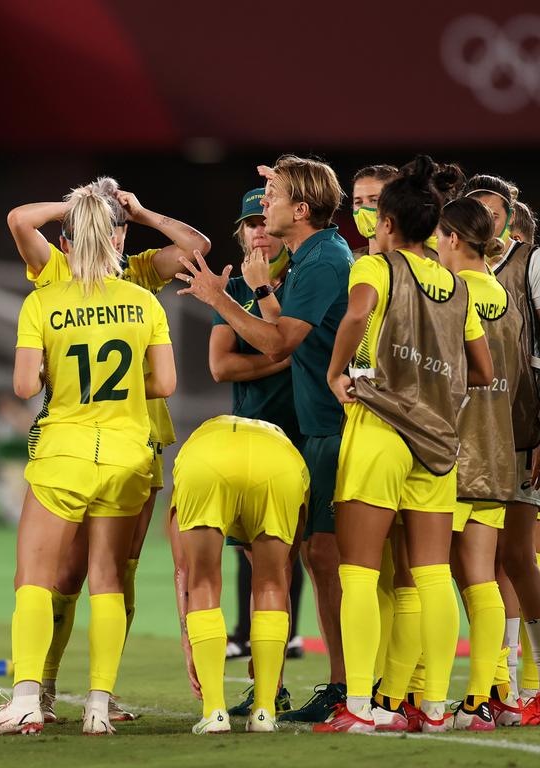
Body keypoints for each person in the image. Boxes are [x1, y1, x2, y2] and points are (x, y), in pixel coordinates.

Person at [0, 184, 176, 735]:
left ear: (68, 240)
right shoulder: (144, 302)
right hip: (128, 454)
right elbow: (165, 381)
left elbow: (22, 386)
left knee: (35, 578)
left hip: (64, 452)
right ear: (115, 240)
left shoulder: (43, 300)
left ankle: (25, 698)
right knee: (109, 578)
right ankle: (97, 705)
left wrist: (56, 373)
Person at [315, 157, 493, 733]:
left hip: (382, 426)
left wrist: (339, 370)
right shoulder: (457, 285)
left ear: (388, 223)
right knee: (432, 574)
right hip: (439, 442)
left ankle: (362, 706)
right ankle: (434, 707)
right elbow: (482, 370)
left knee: (361, 574)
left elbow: (358, 314)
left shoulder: (378, 267)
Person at [177, 155, 352, 723]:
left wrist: (218, 296)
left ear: (301, 210)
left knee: (328, 559)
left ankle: (352, 686)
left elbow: (280, 345)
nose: (263, 209)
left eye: (273, 196)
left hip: (330, 427)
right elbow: (283, 337)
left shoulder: (324, 258)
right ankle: (299, 687)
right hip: (309, 432)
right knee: (305, 557)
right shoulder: (306, 259)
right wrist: (256, 291)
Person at [209, 187, 303, 717]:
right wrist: (286, 358)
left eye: (263, 220)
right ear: (240, 234)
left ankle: (347, 685)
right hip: (258, 437)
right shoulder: (241, 293)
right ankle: (271, 684)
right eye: (249, 224)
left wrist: (279, 350)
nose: (258, 231)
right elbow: (221, 367)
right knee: (268, 564)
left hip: (309, 434)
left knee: (319, 560)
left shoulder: (308, 280)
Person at [433, 196, 521, 730]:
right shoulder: (505, 296)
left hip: (451, 448)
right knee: (483, 577)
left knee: (434, 573)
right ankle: (488, 695)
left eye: (441, 236)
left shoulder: (454, 294)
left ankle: (427, 695)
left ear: (454, 239)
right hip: (497, 446)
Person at [173, 415, 308, 734]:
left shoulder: (194, 445)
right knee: (272, 581)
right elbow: (284, 576)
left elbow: (184, 570)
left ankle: (214, 713)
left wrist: (188, 642)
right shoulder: (290, 457)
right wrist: (275, 664)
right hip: (280, 463)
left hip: (205, 458)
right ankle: (264, 712)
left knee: (203, 578)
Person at [470, 175, 540, 724]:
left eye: (495, 214)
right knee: (480, 561)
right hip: (468, 436)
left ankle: (526, 683)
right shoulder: (453, 271)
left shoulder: (529, 265)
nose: (487, 223)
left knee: (515, 557)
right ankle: (502, 686)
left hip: (520, 431)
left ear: (510, 216)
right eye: (477, 214)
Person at [351, 165, 399, 257]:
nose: (363, 209)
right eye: (358, 202)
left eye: (374, 200)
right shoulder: (348, 263)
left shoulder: (428, 261)